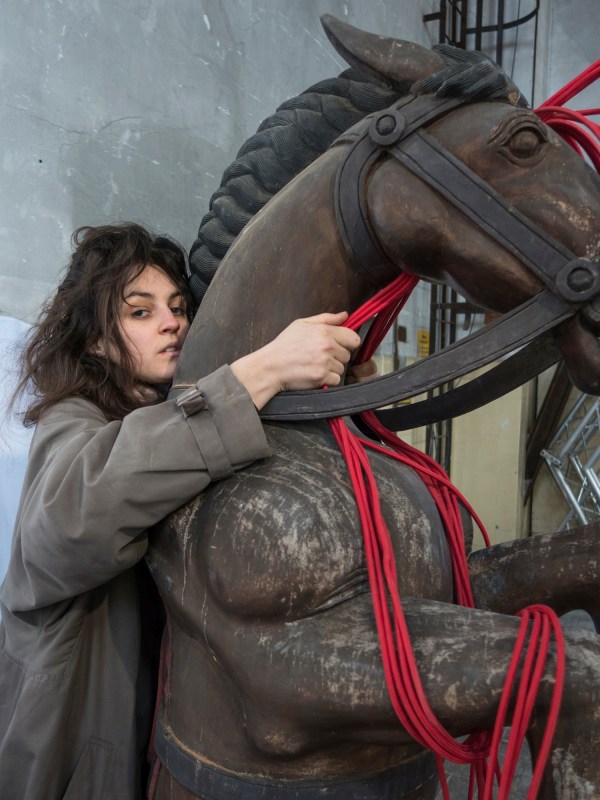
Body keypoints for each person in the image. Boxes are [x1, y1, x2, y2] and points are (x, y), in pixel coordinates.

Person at [0, 222, 362, 800]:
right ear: (93, 339)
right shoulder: (71, 419)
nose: (171, 322)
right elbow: (68, 526)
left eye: (176, 306)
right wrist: (260, 373)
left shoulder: (164, 416)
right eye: (139, 312)